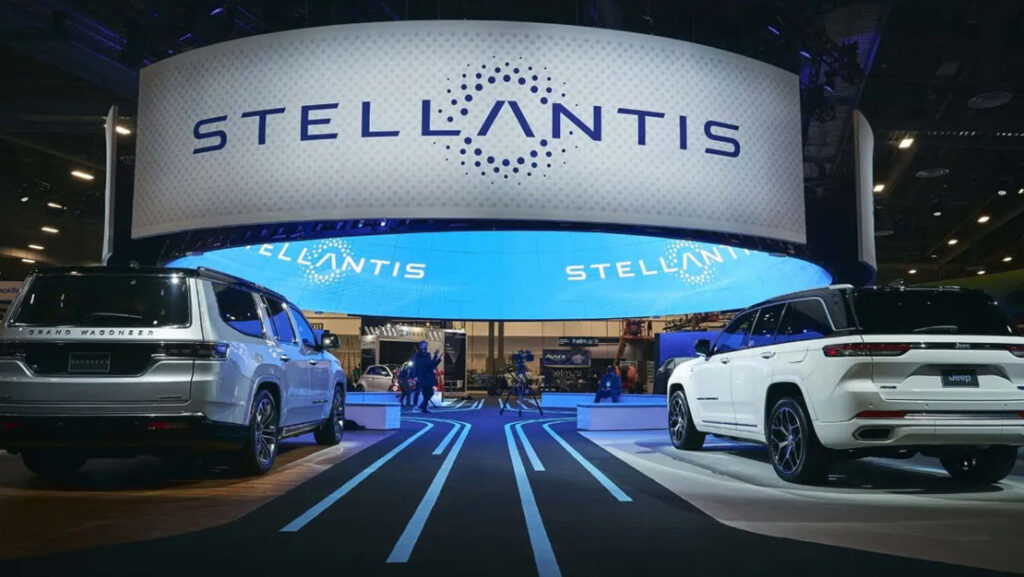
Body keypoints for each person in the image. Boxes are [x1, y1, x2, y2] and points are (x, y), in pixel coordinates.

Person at [413, 341, 442, 413]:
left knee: (430, 392)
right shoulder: (417, 355)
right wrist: (415, 376)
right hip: (422, 376)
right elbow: (415, 365)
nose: (424, 346)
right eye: (422, 345)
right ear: (420, 346)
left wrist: (436, 357)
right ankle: (423, 408)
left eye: (425, 345)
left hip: (429, 376)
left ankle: (422, 407)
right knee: (425, 392)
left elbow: (431, 365)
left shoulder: (428, 354)